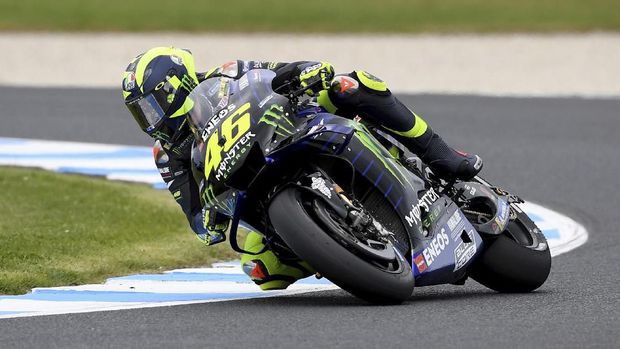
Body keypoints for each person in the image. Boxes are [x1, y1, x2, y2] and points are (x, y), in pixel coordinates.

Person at [122, 47, 482, 290]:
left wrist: (306, 73)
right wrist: (213, 218)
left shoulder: (226, 75)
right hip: (256, 190)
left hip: (293, 129)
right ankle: (338, 246)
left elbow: (280, 73)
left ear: (174, 87)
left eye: (151, 107)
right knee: (260, 271)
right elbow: (197, 218)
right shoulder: (167, 155)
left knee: (349, 84)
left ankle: (442, 155)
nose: (149, 119)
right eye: (141, 113)